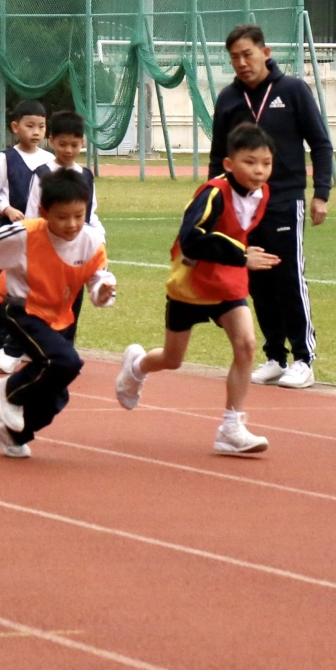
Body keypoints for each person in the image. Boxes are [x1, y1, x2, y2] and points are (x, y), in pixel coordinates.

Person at [114, 122, 277, 456]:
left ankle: (231, 427)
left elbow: (244, 232)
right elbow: (192, 239)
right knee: (172, 359)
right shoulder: (212, 193)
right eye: (250, 162)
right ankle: (137, 366)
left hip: (228, 282)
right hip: (191, 282)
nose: (259, 170)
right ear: (229, 164)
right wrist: (241, 255)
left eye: (266, 163)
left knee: (246, 344)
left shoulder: (263, 194)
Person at [0, 167, 115, 457]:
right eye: (62, 217)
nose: (71, 225)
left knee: (57, 391)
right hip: (20, 308)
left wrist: (102, 291)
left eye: (79, 216)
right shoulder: (24, 235)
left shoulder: (91, 241)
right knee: (65, 361)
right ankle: (9, 389)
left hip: (58, 318)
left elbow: (97, 278)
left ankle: (12, 434)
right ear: (44, 212)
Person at [210, 24, 335, 390]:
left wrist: (321, 193)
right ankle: (275, 357)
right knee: (257, 280)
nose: (241, 63)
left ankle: (304, 359)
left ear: (265, 53)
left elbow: (320, 143)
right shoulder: (228, 99)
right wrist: (216, 202)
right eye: (234, 57)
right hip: (242, 204)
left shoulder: (293, 91)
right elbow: (218, 156)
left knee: (288, 277)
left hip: (283, 198)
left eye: (247, 54)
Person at [0, 98, 52, 373]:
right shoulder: (5, 159)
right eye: (29, 125)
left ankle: (30, 343)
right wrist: (6, 209)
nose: (36, 131)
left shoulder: (50, 161)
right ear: (15, 127)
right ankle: (3, 344)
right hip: (10, 233)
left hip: (41, 236)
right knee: (6, 289)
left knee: (38, 290)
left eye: (41, 126)